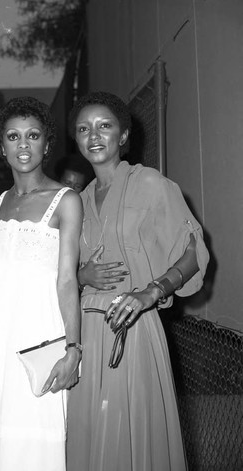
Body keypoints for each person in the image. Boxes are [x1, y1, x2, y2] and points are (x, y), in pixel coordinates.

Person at [66, 91, 210, 470]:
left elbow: (194, 251)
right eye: (84, 128)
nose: (94, 135)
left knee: (132, 440)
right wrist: (83, 275)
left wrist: (152, 291)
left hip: (133, 330)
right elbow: (63, 274)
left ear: (124, 135)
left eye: (105, 126)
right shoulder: (75, 201)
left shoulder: (151, 184)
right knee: (90, 437)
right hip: (84, 335)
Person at [0, 97, 83, 470]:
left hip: (39, 336)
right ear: (2, 147)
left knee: (34, 434)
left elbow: (67, 280)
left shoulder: (66, 200)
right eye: (13, 137)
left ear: (47, 144)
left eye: (33, 136)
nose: (23, 145)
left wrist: (73, 348)